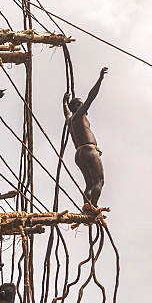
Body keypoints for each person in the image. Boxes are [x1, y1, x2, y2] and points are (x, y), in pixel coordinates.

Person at [63, 67, 107, 210]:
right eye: (81, 104)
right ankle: (93, 207)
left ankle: (86, 206)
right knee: (99, 181)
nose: (84, 106)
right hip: (89, 150)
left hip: (79, 154)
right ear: (77, 106)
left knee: (89, 184)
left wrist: (64, 102)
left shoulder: (70, 120)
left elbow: (66, 114)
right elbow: (91, 97)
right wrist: (100, 79)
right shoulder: (79, 114)